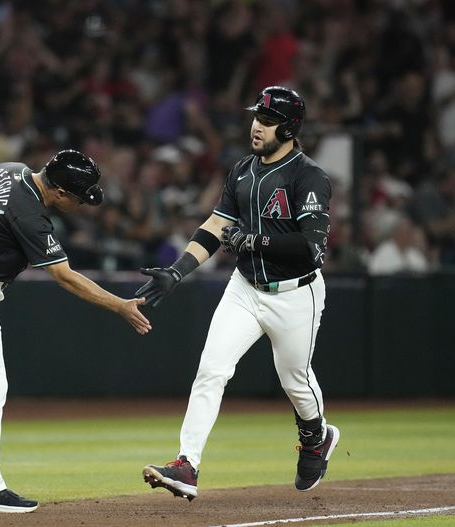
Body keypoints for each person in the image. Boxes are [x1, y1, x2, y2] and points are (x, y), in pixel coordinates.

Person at [136, 86, 339, 501]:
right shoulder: (243, 170)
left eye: (267, 120)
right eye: (256, 117)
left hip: (295, 293)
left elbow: (312, 244)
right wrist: (177, 271)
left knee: (295, 380)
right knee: (211, 370)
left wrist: (254, 241)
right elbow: (215, 226)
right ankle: (186, 465)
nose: (257, 126)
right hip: (245, 289)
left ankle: (316, 435)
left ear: (290, 127)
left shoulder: (309, 176)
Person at [0, 150, 151, 513]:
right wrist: (120, 305)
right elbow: (65, 275)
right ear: (61, 192)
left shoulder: (9, 169)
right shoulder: (29, 213)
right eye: (80, 197)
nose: (82, 203)